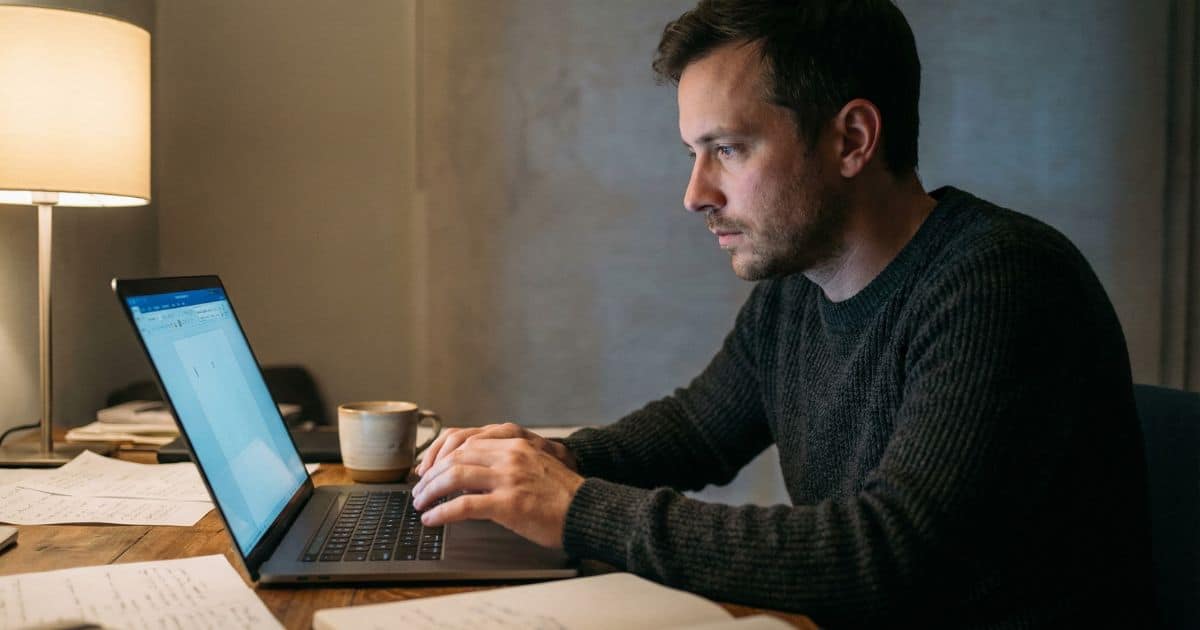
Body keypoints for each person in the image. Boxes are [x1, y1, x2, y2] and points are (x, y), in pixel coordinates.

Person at [411, 0, 1156, 626]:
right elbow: (698, 429)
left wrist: (577, 509)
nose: (697, 194)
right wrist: (553, 461)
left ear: (852, 139)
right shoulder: (796, 291)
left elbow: (893, 554)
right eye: (693, 154)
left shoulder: (1002, 282)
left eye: (727, 149)